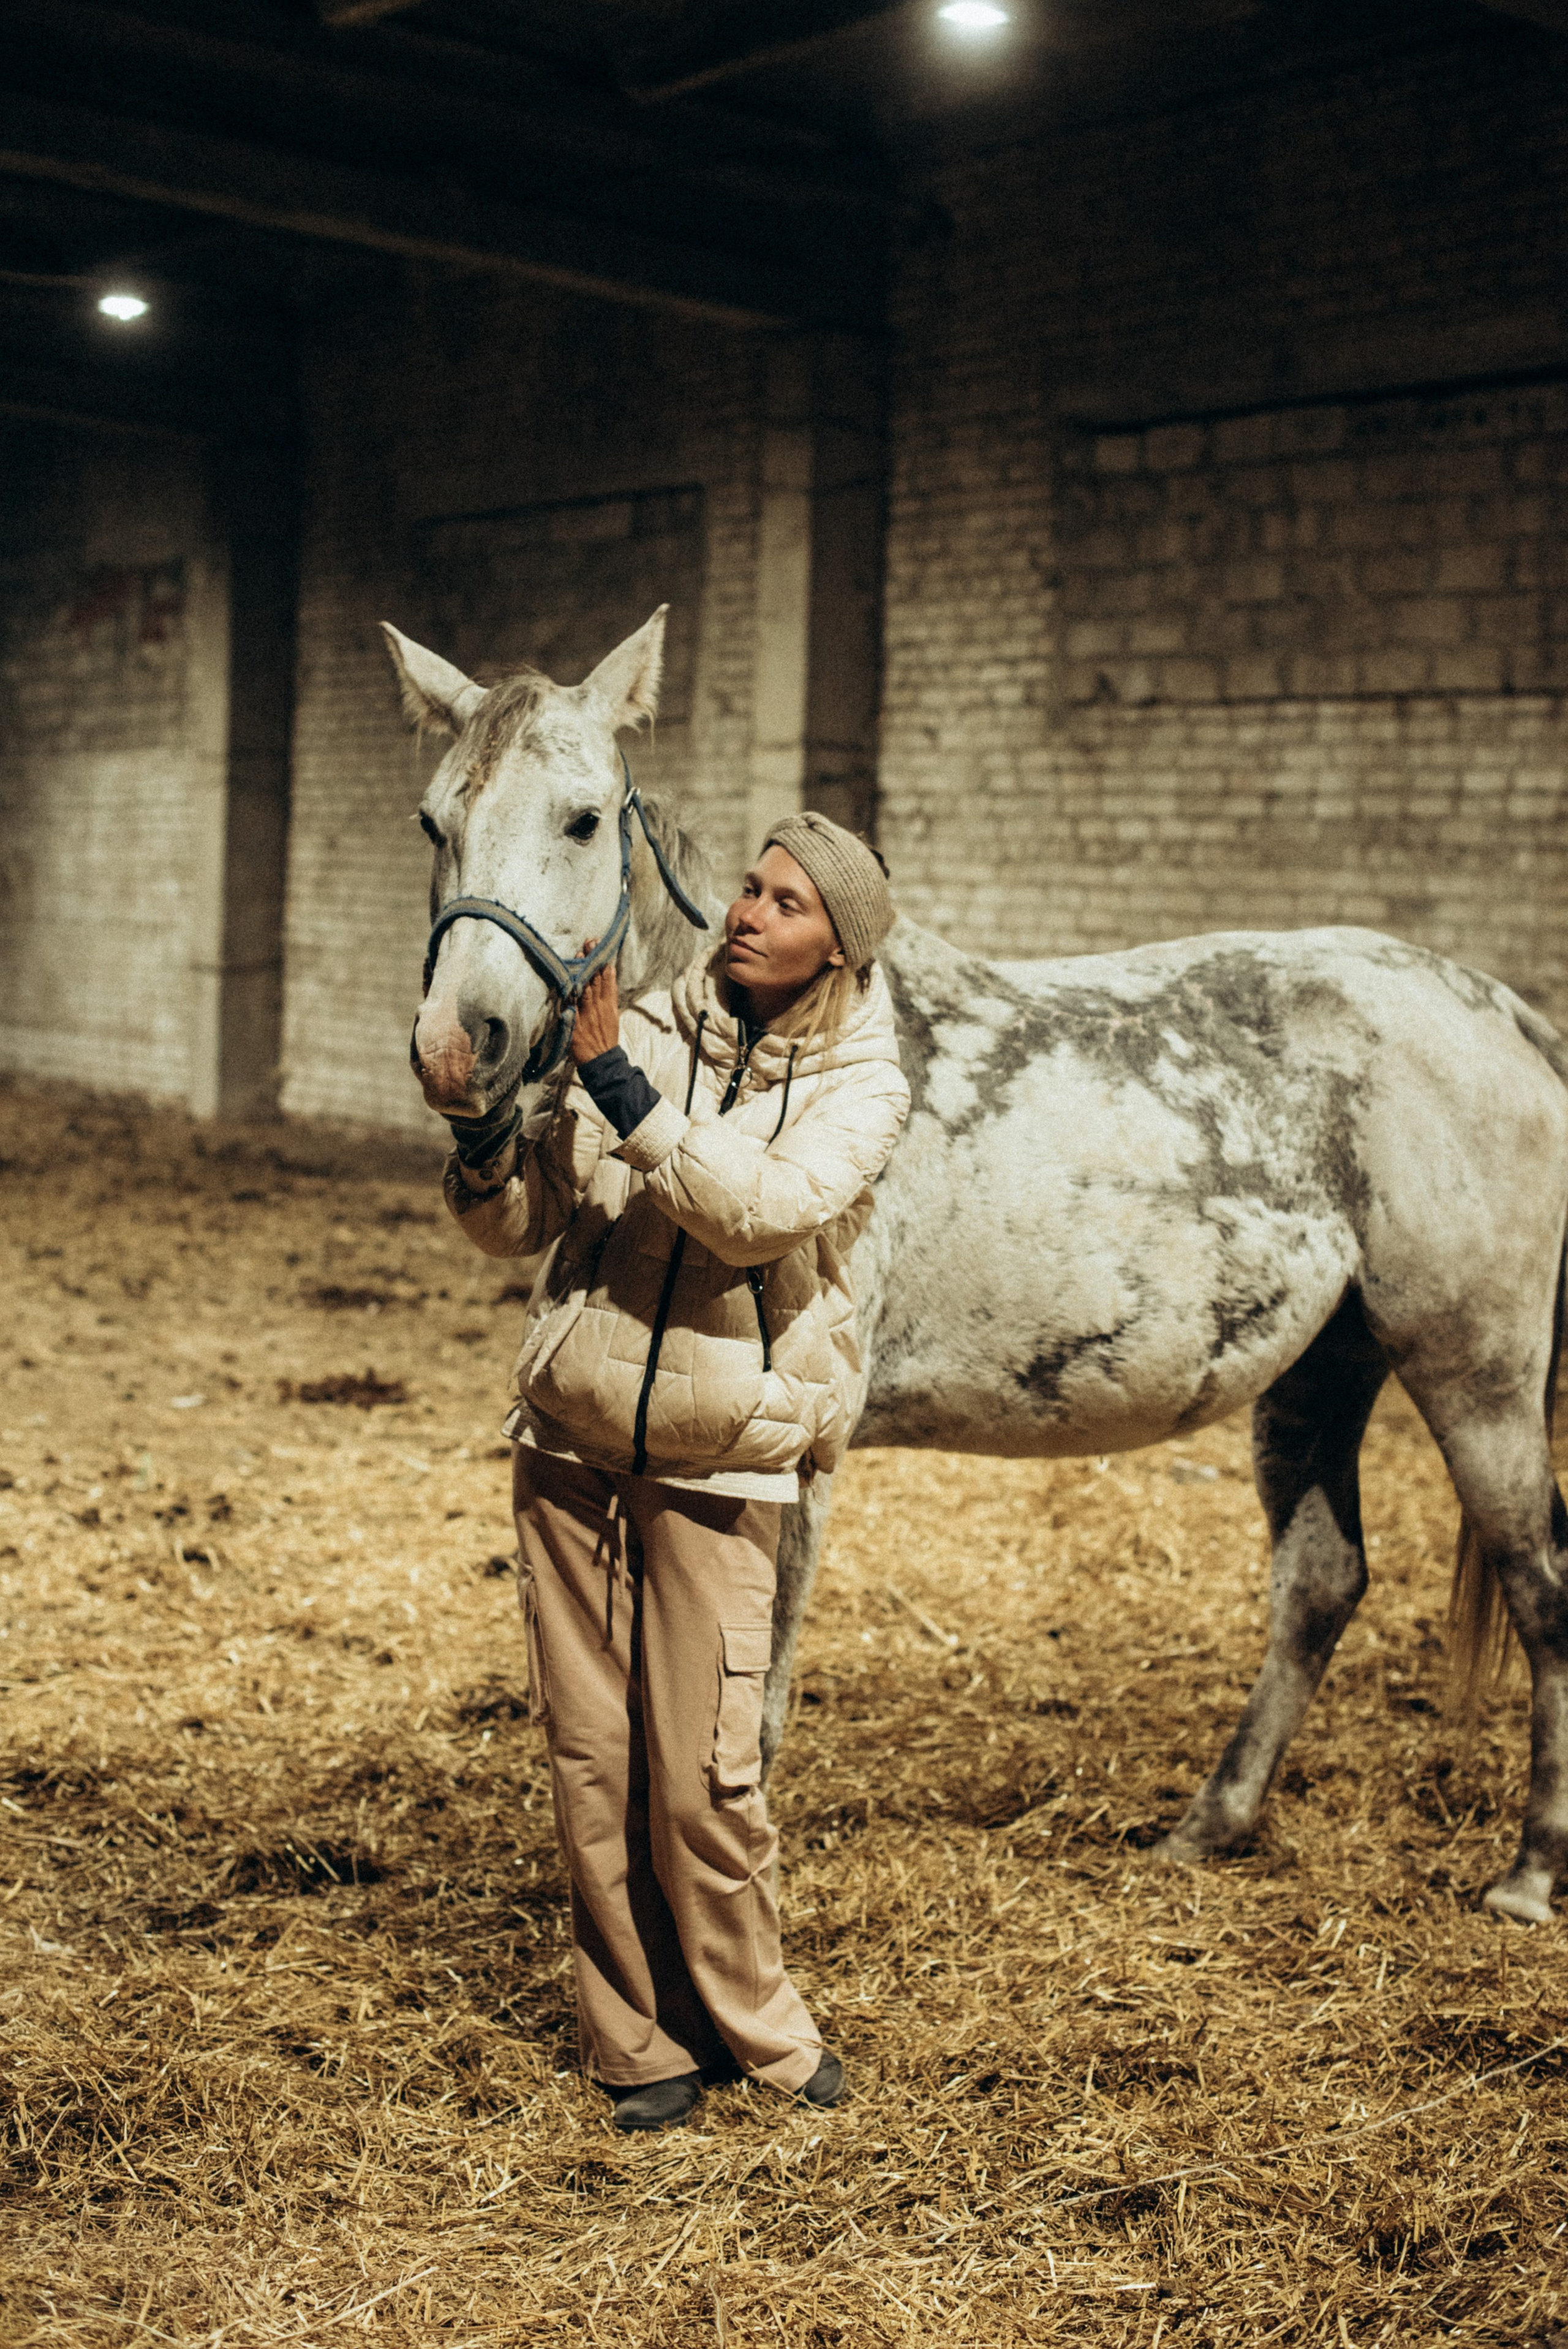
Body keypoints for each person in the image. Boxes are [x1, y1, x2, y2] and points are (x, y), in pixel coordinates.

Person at [442, 812, 910, 2131]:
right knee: (592, 1761)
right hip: (570, 1445)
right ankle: (635, 2041)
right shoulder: (642, 1024)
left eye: (787, 903)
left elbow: (758, 1213)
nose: (748, 912)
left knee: (706, 1773)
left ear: (839, 946)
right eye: (750, 888)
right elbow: (525, 1222)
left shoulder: (864, 1085)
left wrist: (616, 1088)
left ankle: (755, 2026)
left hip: (722, 1459)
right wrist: (483, 1139)